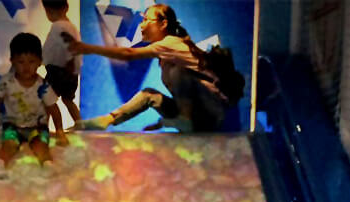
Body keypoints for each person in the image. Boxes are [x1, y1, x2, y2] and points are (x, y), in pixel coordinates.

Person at [65, 3, 228, 133]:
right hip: (197, 117)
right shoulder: (166, 54)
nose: (141, 25)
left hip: (210, 113)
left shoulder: (171, 43)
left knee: (178, 71)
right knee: (149, 95)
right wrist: (161, 123)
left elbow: (128, 54)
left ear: (163, 24)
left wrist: (87, 48)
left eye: (145, 20)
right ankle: (107, 120)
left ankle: (185, 120)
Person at [0, 32, 68, 179]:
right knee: (9, 145)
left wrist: (60, 131)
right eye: (21, 62)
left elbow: (53, 108)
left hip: (37, 127)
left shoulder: (43, 85)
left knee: (41, 146)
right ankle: (0, 164)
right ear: (12, 61)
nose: (26, 67)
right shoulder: (6, 82)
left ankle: (47, 165)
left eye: (31, 62)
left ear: (39, 62)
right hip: (13, 126)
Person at [42, 0, 81, 127]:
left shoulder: (59, 26)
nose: (50, 14)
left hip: (59, 70)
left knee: (47, 99)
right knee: (67, 99)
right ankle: (80, 124)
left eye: (51, 11)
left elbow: (69, 44)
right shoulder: (70, 26)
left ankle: (44, 126)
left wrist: (70, 60)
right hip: (69, 71)